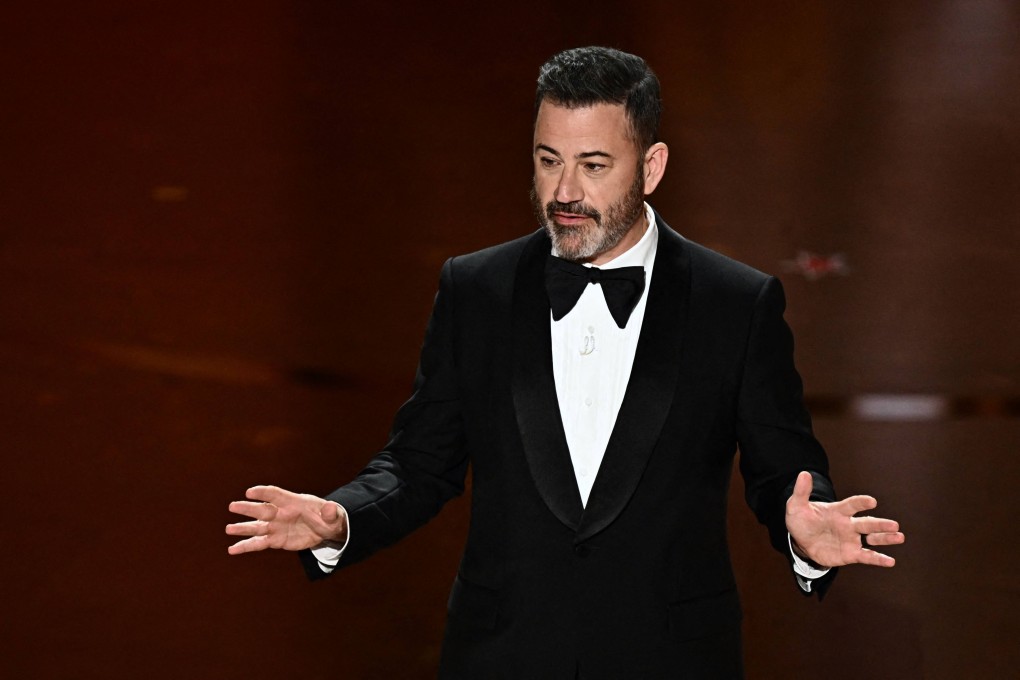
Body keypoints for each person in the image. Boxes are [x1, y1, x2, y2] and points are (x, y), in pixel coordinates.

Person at [226, 46, 903, 679]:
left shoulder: (735, 304)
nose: (565, 192)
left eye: (594, 165)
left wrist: (804, 535)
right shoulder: (476, 290)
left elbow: (783, 468)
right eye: (549, 160)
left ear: (652, 167)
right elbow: (419, 462)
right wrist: (342, 518)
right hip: (500, 656)